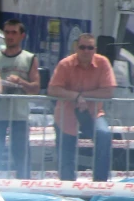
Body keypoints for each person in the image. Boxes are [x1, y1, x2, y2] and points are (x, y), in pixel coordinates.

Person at [47, 33, 115, 182]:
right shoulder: (65, 64)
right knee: (66, 155)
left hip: (93, 113)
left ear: (95, 49)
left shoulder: (103, 63)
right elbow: (52, 89)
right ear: (76, 48)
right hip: (67, 114)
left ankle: (99, 186)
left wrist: (83, 95)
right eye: (82, 47)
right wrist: (76, 97)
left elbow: (109, 91)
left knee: (104, 136)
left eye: (90, 48)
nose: (86, 51)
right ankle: (68, 192)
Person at [0, 18, 41, 179]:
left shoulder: (29, 58)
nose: (10, 36)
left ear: (22, 36)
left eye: (14, 33)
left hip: (19, 115)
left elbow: (35, 88)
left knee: (21, 154)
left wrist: (20, 81)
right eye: (7, 32)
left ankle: (25, 187)